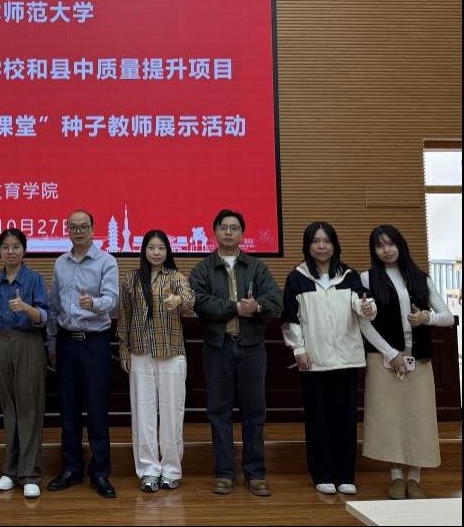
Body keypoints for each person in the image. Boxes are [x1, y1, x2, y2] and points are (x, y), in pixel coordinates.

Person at [190, 208, 281, 497]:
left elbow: (275, 301)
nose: (229, 232)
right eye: (223, 227)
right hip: (218, 348)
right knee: (219, 412)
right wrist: (235, 307)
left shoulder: (256, 267)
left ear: (242, 233)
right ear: (214, 232)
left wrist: (257, 307)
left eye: (234, 227)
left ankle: (256, 474)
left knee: (254, 412)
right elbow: (199, 302)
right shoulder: (202, 269)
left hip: (252, 348)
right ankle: (224, 473)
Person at [359, 225, 454, 500]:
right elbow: (363, 323)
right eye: (379, 245)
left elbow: (447, 317)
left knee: (418, 417)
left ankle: (415, 478)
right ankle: (396, 478)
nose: (386, 250)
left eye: (390, 244)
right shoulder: (367, 278)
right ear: (374, 250)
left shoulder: (420, 278)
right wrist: (391, 353)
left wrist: (426, 318)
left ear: (400, 245)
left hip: (418, 358)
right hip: (384, 358)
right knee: (389, 418)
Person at [281, 222, 374, 496]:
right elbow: (290, 318)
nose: (321, 246)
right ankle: (322, 474)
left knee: (345, 420)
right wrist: (298, 350)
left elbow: (363, 304)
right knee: (318, 420)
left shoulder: (349, 276)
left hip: (347, 359)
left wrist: (367, 307)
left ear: (335, 245)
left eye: (326, 241)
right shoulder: (296, 277)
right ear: (307, 246)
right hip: (314, 361)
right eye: (315, 241)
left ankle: (345, 475)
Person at [46, 210, 119, 499]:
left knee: (97, 410)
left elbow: (112, 300)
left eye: (83, 226)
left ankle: (100, 472)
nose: (78, 231)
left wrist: (94, 304)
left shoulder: (106, 261)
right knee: (68, 410)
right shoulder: (60, 263)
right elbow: (54, 307)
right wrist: (52, 344)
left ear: (93, 229)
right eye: (73, 227)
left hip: (95, 342)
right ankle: (71, 468)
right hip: (66, 342)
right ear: (67, 230)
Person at [116, 229, 195, 493]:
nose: (156, 252)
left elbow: (191, 302)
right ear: (144, 250)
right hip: (140, 354)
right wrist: (124, 351)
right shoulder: (131, 279)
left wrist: (179, 300)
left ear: (167, 251)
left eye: (161, 248)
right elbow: (124, 317)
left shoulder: (175, 277)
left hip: (171, 353)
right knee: (143, 414)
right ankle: (148, 470)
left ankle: (171, 469)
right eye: (151, 248)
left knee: (172, 413)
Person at [0, 229, 49, 499]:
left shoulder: (34, 279)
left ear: (24, 249)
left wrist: (26, 308)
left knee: (29, 409)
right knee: (9, 410)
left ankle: (30, 474)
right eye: (6, 247)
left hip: (28, 343)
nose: (10, 252)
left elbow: (44, 317)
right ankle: (10, 472)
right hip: (0, 343)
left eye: (16, 247)